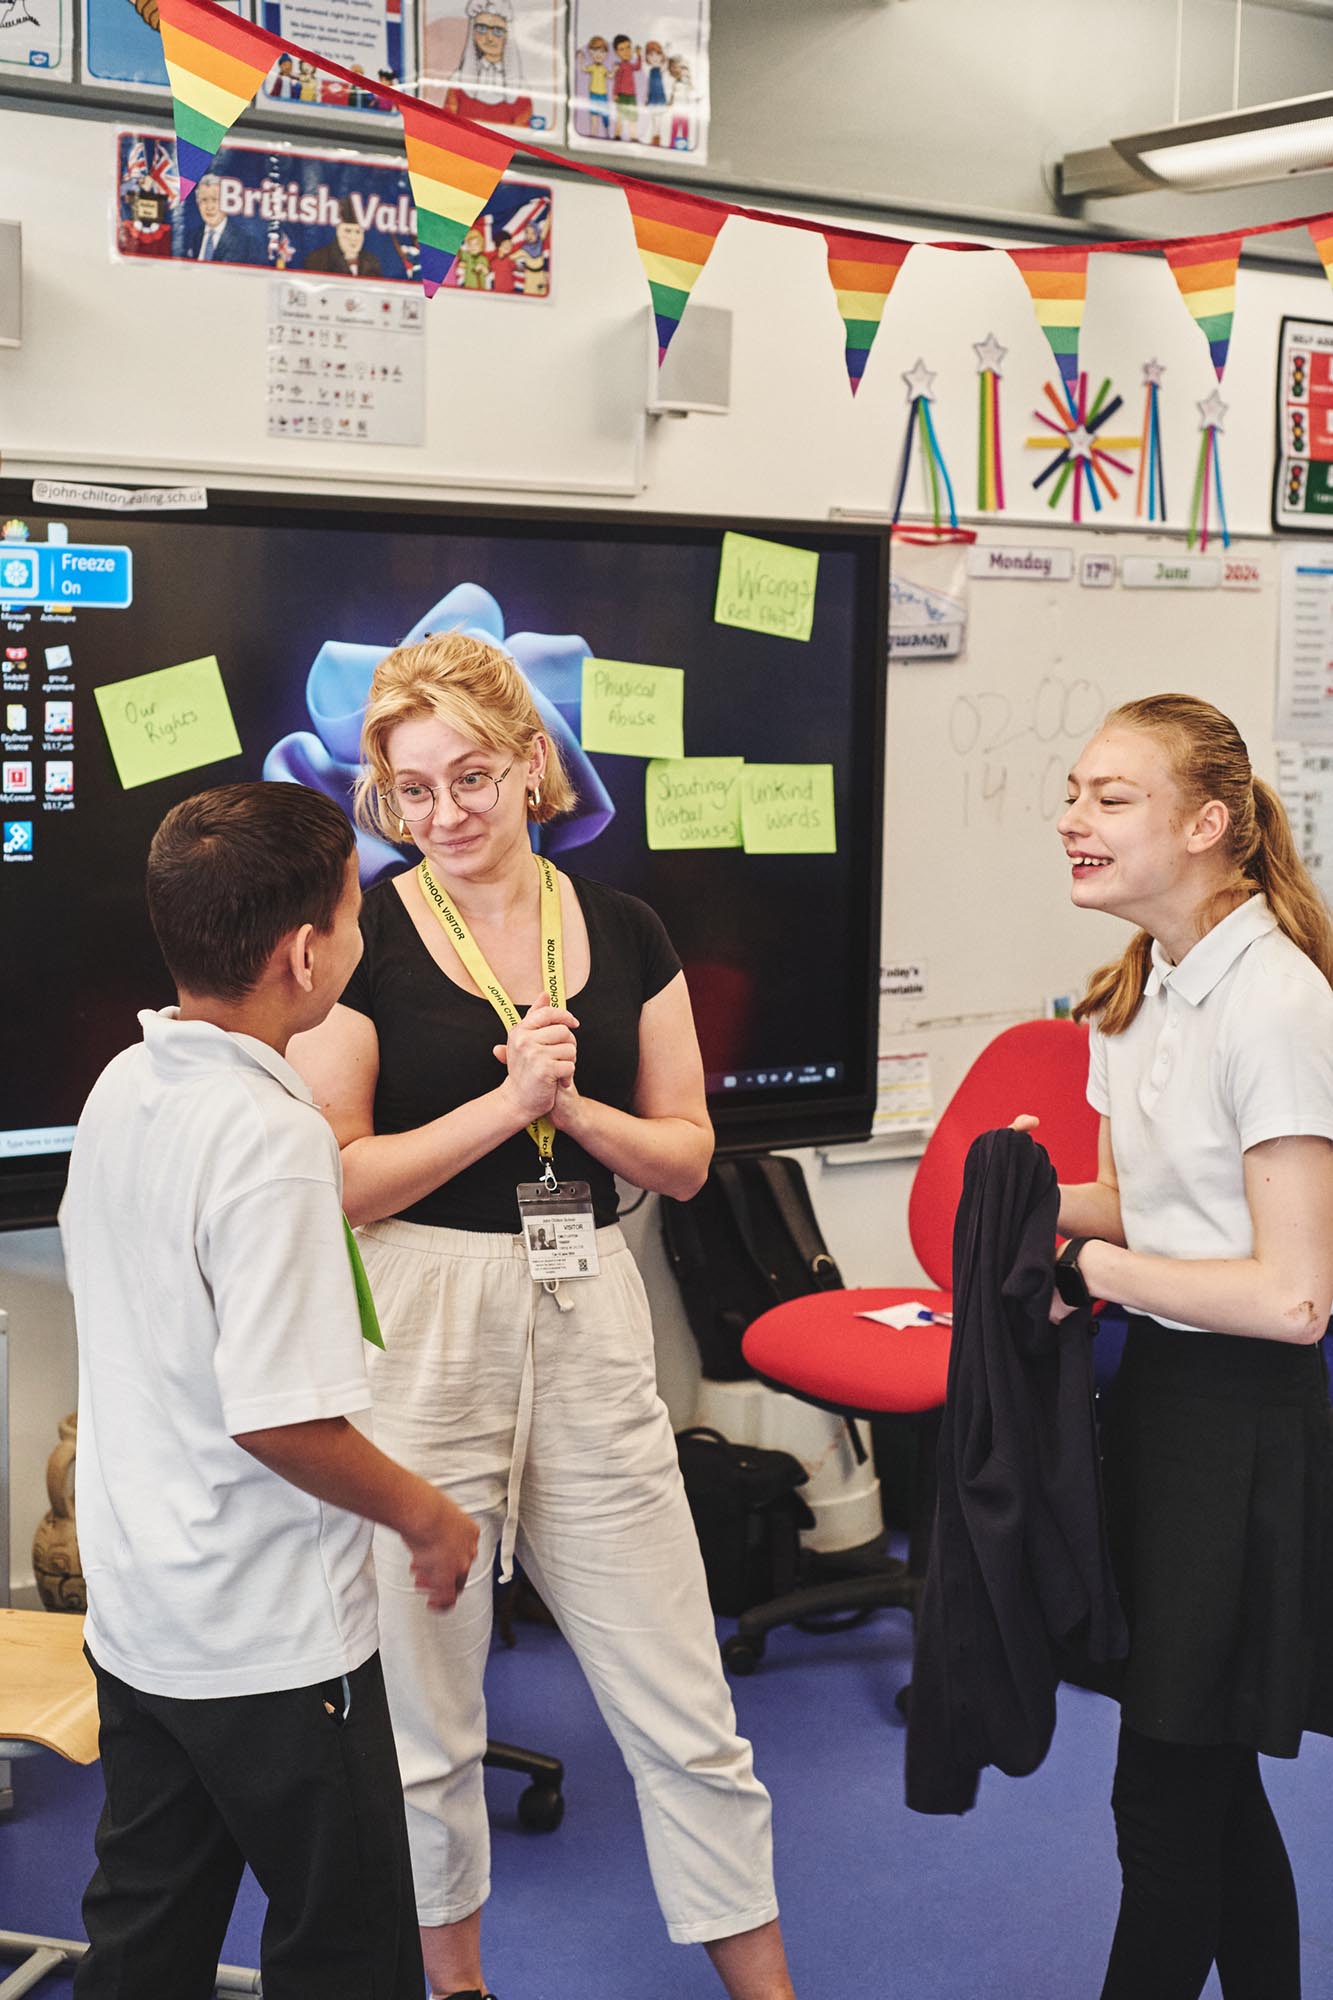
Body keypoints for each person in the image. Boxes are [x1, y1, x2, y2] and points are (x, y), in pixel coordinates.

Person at [290, 634, 798, 2000]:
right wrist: (507, 1110)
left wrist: (576, 1113)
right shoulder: (367, 936)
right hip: (423, 1333)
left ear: (531, 766)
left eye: (469, 778)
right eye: (410, 791)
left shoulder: (624, 929)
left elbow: (688, 1156)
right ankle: (454, 1990)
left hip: (590, 1317)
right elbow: (337, 1180)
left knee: (688, 1713)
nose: (444, 815)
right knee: (425, 1728)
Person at [59, 781, 481, 2000]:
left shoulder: (123, 1087)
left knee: (144, 1926)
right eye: (357, 914)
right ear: (306, 954)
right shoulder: (271, 1135)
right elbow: (280, 1415)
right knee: (345, 1949)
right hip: (275, 1642)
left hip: (147, 1615)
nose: (363, 932)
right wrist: (426, 1513)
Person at [1024, 693, 1333, 2000]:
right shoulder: (1136, 987)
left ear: (1209, 826)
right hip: (1153, 1403)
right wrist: (1023, 1210)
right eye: (1073, 793)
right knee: (1206, 1787)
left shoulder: (1275, 1004)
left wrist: (1086, 1265)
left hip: (1244, 1426)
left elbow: (1294, 1296)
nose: (1072, 821)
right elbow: (1150, 1208)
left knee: (1164, 1803)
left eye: (1110, 799)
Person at [183, 173, 261, 266]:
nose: (209, 207)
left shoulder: (246, 242)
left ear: (226, 202)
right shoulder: (191, 237)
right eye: (204, 200)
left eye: (215, 199)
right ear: (198, 203)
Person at [303, 197, 384, 279]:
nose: (353, 238)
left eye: (358, 232)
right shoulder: (318, 259)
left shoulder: (372, 262)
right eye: (348, 231)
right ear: (338, 231)